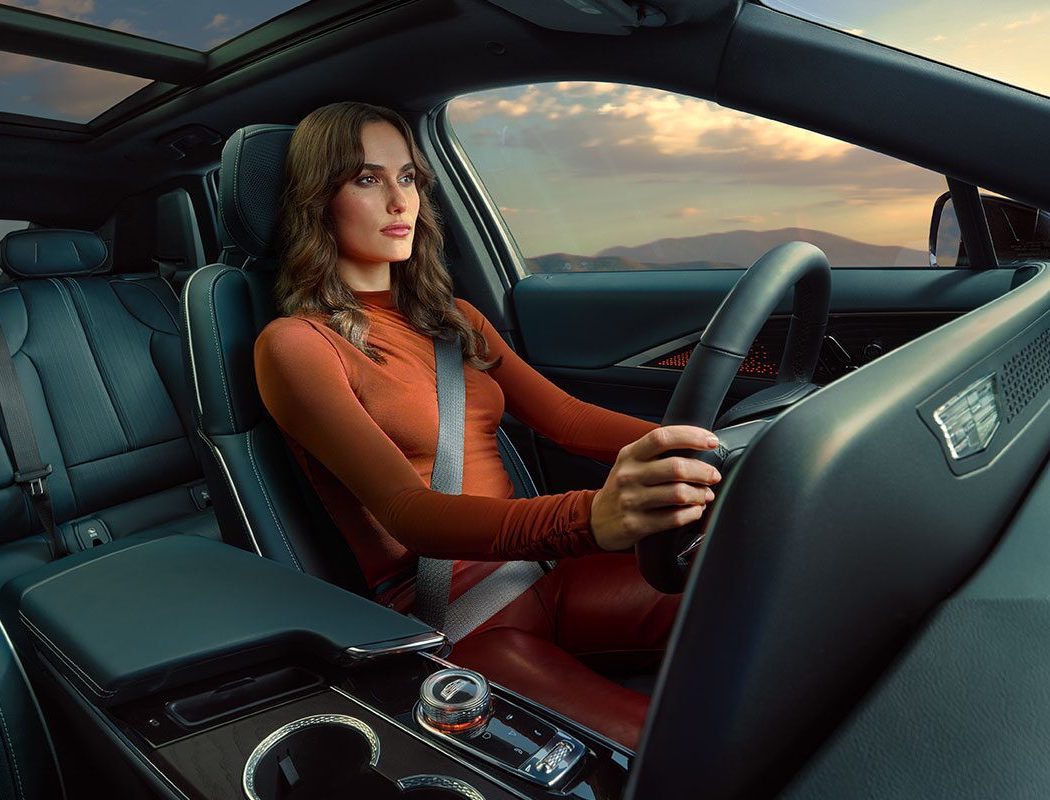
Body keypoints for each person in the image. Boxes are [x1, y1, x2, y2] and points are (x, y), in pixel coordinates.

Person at [254, 102, 722, 748]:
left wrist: (714, 449)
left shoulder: (456, 321)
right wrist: (590, 519)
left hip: (543, 573)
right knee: (675, 755)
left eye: (409, 178)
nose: (399, 201)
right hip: (463, 621)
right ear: (318, 201)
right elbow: (407, 510)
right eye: (367, 179)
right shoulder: (295, 346)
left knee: (751, 595)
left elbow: (569, 419)